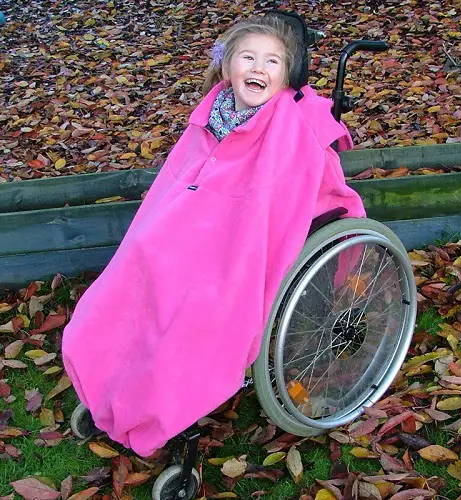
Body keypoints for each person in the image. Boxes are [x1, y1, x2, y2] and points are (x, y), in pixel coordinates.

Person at [62, 12, 365, 457]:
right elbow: (180, 181)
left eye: (272, 62)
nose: (258, 68)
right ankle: (110, 386)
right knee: (136, 271)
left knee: (195, 303)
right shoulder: (215, 114)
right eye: (248, 57)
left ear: (288, 76)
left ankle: (154, 400)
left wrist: (221, 244)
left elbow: (273, 198)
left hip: (249, 236)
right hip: (197, 227)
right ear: (227, 66)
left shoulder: (292, 125)